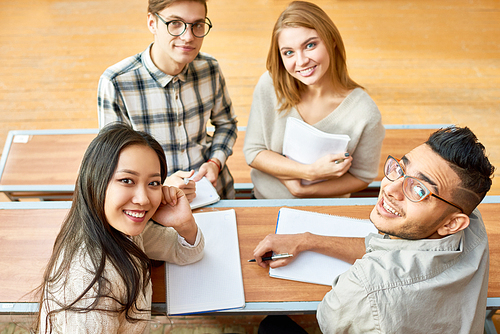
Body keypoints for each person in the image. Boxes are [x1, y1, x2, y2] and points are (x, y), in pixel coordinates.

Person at [254, 126, 495, 333]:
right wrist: (306, 240)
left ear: (452, 223)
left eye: (419, 190)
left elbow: (331, 321)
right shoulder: (472, 225)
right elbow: (389, 252)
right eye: (400, 169)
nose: (391, 188)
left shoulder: (364, 290)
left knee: (271, 326)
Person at [35, 123, 204, 333]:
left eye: (153, 183)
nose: (143, 199)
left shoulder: (120, 228)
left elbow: (186, 252)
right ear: (95, 181)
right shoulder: (90, 288)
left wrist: (184, 224)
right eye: (127, 180)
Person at [243, 1, 385, 199]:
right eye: (289, 52)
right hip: (263, 203)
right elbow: (253, 151)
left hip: (325, 211)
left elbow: (362, 176)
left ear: (332, 40)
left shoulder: (364, 113)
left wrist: (304, 190)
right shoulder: (270, 85)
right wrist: (309, 172)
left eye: (310, 45)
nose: (301, 61)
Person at [98, 0, 238, 200]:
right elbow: (112, 162)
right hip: (153, 204)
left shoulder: (210, 68)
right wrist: (159, 186)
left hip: (214, 193)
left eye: (197, 25)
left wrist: (215, 162)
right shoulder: (116, 82)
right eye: (175, 23)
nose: (188, 37)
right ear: (152, 23)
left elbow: (227, 124)